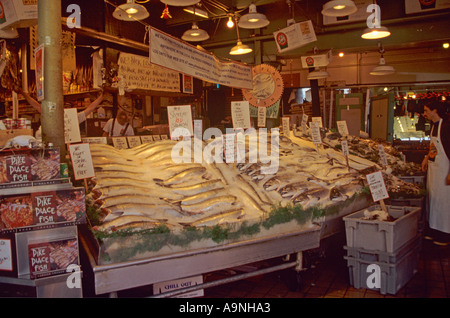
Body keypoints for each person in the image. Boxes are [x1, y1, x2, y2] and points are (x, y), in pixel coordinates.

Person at [421, 100, 450, 246]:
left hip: (445, 171)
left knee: (444, 203)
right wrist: (426, 158)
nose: (424, 113)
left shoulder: (446, 127)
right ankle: (433, 230)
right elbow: (432, 146)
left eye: (426, 110)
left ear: (435, 110)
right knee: (433, 201)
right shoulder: (434, 126)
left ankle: (445, 234)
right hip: (434, 169)